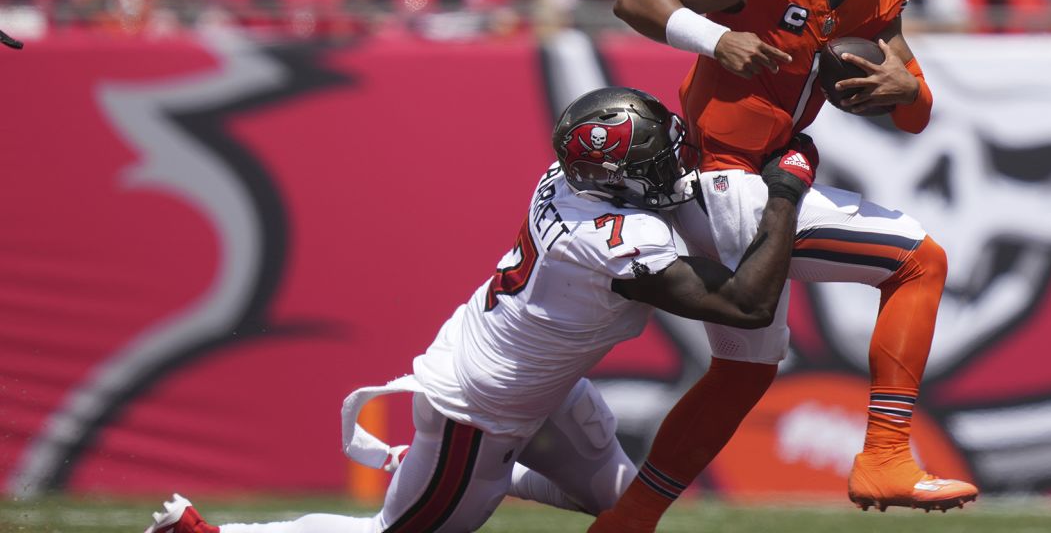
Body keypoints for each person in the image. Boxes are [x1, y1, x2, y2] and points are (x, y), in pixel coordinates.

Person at [142, 87, 818, 533]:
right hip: (480, 411)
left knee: (623, 507)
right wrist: (785, 192)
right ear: (615, 179)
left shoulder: (567, 179)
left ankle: (482, 478)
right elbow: (746, 306)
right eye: (658, 160)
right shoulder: (614, 238)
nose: (674, 168)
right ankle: (207, 531)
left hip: (535, 388)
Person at [593, 0, 979, 531]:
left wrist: (903, 86)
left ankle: (629, 520)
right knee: (918, 264)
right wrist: (717, 37)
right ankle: (887, 452)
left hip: (751, 178)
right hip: (722, 176)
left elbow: (915, 112)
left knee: (744, 371)